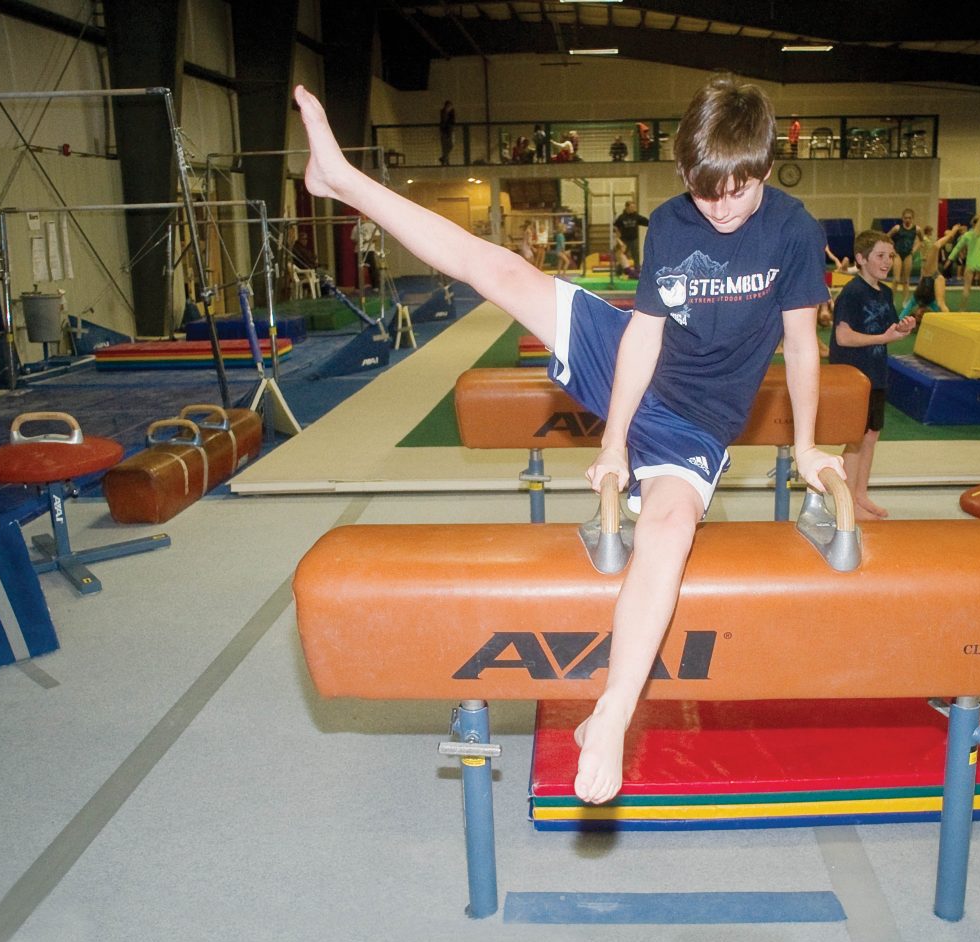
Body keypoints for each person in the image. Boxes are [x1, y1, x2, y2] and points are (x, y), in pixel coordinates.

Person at [292, 77, 841, 805]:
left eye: (740, 190)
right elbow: (642, 339)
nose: (724, 206)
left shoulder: (795, 231)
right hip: (627, 357)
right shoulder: (674, 225)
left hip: (696, 424)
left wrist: (805, 447)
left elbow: (801, 347)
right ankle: (344, 180)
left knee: (671, 527)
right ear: (682, 176)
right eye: (708, 192)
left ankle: (612, 710)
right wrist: (612, 444)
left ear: (768, 170)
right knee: (499, 270)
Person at [828, 231, 917, 521]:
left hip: (876, 372)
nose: (888, 262)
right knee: (855, 438)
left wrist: (902, 329)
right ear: (861, 258)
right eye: (880, 256)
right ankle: (846, 503)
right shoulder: (852, 293)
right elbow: (842, 337)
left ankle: (860, 494)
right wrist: (883, 336)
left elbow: (887, 331)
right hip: (853, 376)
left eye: (890, 256)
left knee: (871, 435)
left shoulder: (885, 292)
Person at [946, 214, 980, 311]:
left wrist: (950, 259)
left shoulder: (967, 235)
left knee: (966, 288)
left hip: (970, 264)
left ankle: (962, 309)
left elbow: (957, 248)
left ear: (973, 223)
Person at [886, 209, 920, 307]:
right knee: (896, 279)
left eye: (909, 218)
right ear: (902, 218)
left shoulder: (916, 229)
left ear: (912, 218)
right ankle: (891, 300)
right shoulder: (897, 228)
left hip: (908, 254)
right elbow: (886, 237)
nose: (907, 220)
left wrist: (914, 249)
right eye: (905, 218)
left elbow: (921, 241)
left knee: (906, 280)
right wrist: (892, 248)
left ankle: (905, 301)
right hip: (898, 254)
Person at [613, 201, 649, 270]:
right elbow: (615, 226)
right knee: (622, 256)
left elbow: (646, 222)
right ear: (627, 207)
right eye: (632, 207)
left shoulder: (636, 216)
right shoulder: (621, 217)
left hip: (634, 239)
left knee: (635, 255)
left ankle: (637, 269)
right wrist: (617, 236)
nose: (634, 209)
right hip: (624, 240)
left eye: (634, 207)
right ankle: (619, 270)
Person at [438, 100, 455, 166]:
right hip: (444, 131)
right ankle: (446, 161)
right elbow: (443, 121)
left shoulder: (452, 112)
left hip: (450, 130)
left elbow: (452, 121)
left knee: (450, 145)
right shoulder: (443, 112)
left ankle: (444, 158)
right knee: (445, 147)